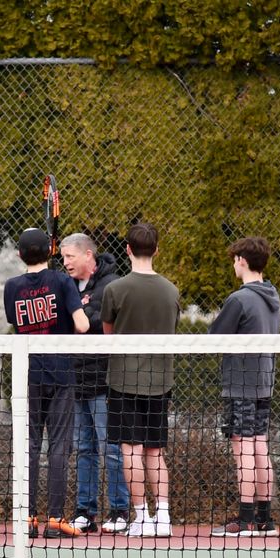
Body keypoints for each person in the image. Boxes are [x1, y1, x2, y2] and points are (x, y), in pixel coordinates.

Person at [4, 228, 89, 538]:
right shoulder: (63, 282)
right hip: (61, 373)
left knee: (29, 447)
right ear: (52, 251)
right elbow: (82, 324)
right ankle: (55, 519)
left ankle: (28, 520)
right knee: (59, 447)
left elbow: (18, 323)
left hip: (28, 373)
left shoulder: (11, 287)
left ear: (19, 256)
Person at [101, 222, 180, 538]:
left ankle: (141, 519)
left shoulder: (114, 290)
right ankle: (163, 518)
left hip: (123, 380)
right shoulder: (171, 290)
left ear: (128, 249)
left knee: (130, 451)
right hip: (160, 381)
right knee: (155, 451)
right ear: (157, 249)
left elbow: (108, 334)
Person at [208, 236, 280, 537]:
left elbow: (216, 336)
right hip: (264, 383)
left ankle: (247, 518)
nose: (233, 264)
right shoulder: (273, 297)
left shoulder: (239, 299)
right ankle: (264, 518)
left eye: (234, 259)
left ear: (241, 260)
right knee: (260, 447)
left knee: (244, 451)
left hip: (241, 384)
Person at [59, 233, 129, 534]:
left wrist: (83, 318)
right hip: (75, 379)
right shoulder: (65, 286)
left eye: (70, 257)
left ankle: (119, 511)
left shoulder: (112, 285)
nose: (65, 263)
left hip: (104, 380)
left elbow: (106, 322)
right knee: (84, 448)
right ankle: (85, 512)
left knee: (112, 447)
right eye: (62, 258)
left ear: (88, 255)